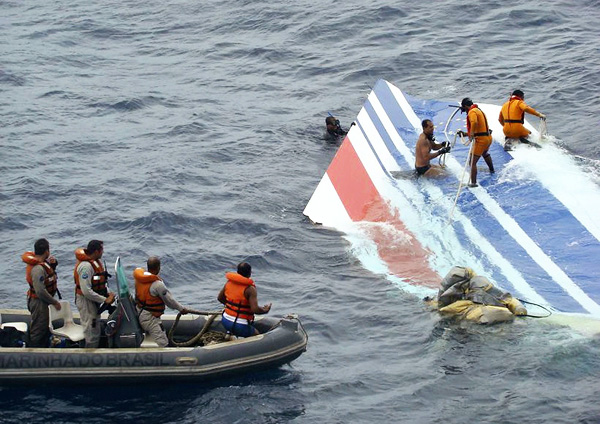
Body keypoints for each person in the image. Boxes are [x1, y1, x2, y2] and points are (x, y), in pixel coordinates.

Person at [134, 256, 190, 347]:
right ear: (158, 268)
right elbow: (169, 301)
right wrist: (181, 309)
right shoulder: (157, 285)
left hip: (140, 313)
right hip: (150, 319)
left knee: (162, 332)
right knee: (163, 342)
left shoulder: (139, 280)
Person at [74, 240, 115, 348]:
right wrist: (104, 299)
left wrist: (107, 294)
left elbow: (99, 281)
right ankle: (89, 355)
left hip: (93, 300)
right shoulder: (86, 267)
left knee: (94, 326)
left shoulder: (95, 263)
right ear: (96, 251)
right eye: (102, 250)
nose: (103, 252)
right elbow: (86, 291)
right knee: (91, 329)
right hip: (86, 301)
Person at [21, 238, 62, 347]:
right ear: (46, 251)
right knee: (38, 329)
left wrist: (53, 266)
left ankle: (44, 347)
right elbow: (40, 291)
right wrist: (54, 302)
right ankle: (34, 353)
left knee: (45, 328)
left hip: (44, 301)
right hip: (39, 302)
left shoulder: (44, 264)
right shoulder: (38, 269)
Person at [217, 262, 271, 337]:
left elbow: (220, 298)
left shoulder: (229, 282)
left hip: (225, 320)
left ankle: (231, 335)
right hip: (240, 325)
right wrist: (265, 310)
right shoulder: (250, 289)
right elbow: (255, 309)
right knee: (256, 335)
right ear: (249, 273)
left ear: (237, 272)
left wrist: (232, 307)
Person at [459, 97, 495, 187]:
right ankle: (492, 170)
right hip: (488, 138)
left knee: (472, 162)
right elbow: (480, 130)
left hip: (481, 141)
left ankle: (473, 183)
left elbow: (474, 122)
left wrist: (471, 134)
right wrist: (466, 134)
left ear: (466, 106)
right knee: (485, 153)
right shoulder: (478, 110)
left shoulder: (472, 112)